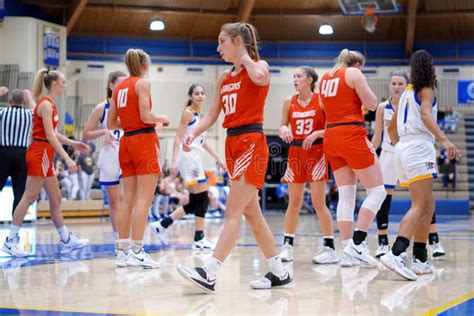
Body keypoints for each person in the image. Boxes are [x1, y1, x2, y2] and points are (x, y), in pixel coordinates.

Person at [176, 22, 293, 293]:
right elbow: (210, 115)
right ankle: (279, 271)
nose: (218, 48)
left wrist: (245, 59)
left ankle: (210, 271)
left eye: (222, 42)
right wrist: (192, 134)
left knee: (232, 212)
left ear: (238, 40)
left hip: (252, 141)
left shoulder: (258, 66)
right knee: (252, 214)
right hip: (232, 143)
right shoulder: (223, 78)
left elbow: (262, 78)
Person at [382, 50, 459, 280]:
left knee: (428, 204)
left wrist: (401, 149)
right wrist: (444, 140)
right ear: (430, 68)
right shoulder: (427, 89)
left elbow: (391, 129)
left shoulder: (405, 94)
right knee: (419, 206)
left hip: (403, 148)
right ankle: (396, 253)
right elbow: (426, 116)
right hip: (418, 147)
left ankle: (420, 258)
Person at [2, 69, 90, 257]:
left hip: (45, 154)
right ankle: (10, 240)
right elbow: (49, 136)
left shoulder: (49, 104)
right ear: (54, 84)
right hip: (40, 152)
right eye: (64, 82)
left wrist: (73, 142)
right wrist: (67, 158)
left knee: (56, 198)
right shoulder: (45, 105)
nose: (65, 85)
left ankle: (66, 239)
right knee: (29, 197)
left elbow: (54, 133)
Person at [319, 49, 385, 268]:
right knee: (378, 191)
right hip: (351, 133)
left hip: (331, 136)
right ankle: (357, 243)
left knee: (346, 195)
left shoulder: (326, 77)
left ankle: (348, 250)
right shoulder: (354, 74)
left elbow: (323, 107)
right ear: (356, 64)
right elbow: (373, 103)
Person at [107, 48, 169, 269]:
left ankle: (123, 252)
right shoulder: (142, 83)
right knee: (144, 199)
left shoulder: (118, 88)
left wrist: (131, 123)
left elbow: (111, 124)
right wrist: (160, 118)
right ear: (144, 65)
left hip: (126, 143)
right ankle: (138, 250)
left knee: (128, 199)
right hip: (143, 142)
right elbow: (145, 116)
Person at [151, 84, 226, 250]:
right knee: (204, 197)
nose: (200, 96)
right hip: (188, 158)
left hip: (195, 158)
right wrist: (173, 161)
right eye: (196, 93)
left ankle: (162, 224)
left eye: (202, 93)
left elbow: (202, 141)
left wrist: (218, 158)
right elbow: (178, 137)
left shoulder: (201, 116)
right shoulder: (188, 113)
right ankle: (199, 239)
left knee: (195, 202)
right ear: (190, 96)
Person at [278, 66, 337, 264]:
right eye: (294, 76)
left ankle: (329, 248)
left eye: (299, 76)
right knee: (293, 203)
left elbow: (331, 127)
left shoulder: (321, 100)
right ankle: (287, 246)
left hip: (317, 153)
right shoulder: (289, 101)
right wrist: (284, 128)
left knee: (319, 203)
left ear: (309, 80)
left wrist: (316, 133)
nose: (295, 79)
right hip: (295, 153)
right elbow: (281, 125)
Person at [370, 71, 409, 258]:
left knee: (421, 195)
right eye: (393, 83)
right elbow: (377, 136)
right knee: (383, 196)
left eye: (400, 83)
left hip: (408, 153)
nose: (396, 87)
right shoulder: (382, 107)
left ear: (407, 85)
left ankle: (433, 240)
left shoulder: (412, 105)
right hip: (387, 154)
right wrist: (369, 153)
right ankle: (383, 242)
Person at [83, 70, 127, 232]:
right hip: (110, 154)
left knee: (126, 199)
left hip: (128, 153)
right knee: (115, 202)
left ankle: (129, 238)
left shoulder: (130, 106)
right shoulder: (102, 108)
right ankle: (120, 240)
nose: (123, 87)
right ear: (110, 85)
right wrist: (103, 132)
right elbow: (86, 134)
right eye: (119, 83)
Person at [0, 89, 34, 214]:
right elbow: (39, 111)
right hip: (22, 155)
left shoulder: (2, 112)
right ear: (24, 102)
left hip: (3, 153)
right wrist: (29, 98)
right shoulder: (30, 114)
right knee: (19, 192)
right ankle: (15, 228)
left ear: (9, 101)